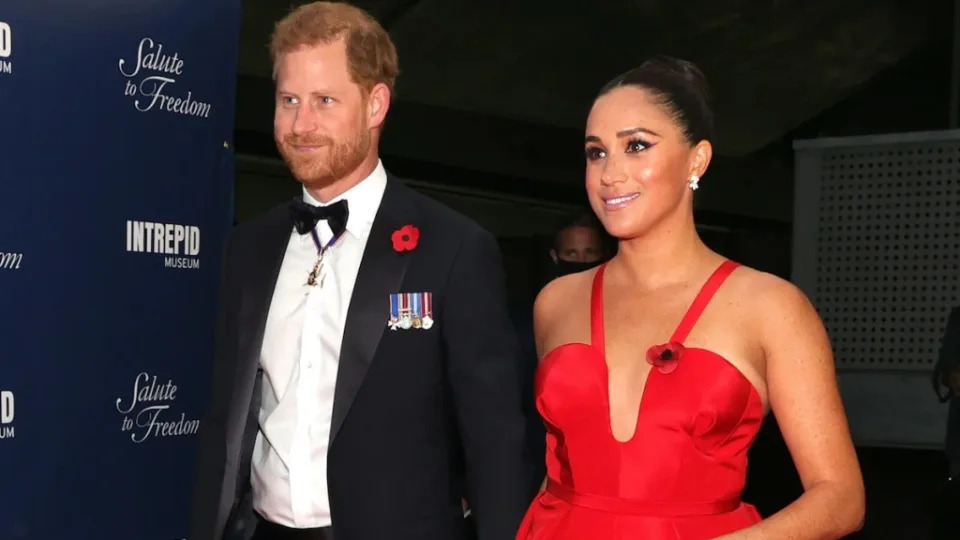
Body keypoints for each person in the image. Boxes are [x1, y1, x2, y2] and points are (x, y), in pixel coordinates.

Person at [188, 3, 535, 540]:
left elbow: (494, 442)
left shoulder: (454, 250)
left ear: (376, 105)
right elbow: (223, 423)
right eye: (288, 101)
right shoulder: (248, 247)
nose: (302, 125)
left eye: (325, 101)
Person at [515, 56, 865, 539]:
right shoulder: (555, 302)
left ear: (696, 160)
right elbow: (557, 470)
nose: (611, 174)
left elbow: (840, 496)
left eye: (636, 146)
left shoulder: (771, 307)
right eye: (596, 153)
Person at [548, 212, 608, 278]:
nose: (581, 260)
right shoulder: (550, 288)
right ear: (555, 257)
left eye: (590, 253)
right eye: (572, 254)